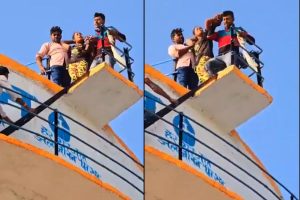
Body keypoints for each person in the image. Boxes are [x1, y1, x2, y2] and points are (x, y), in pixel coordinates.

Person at [205, 10, 255, 77]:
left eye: (227, 19)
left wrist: (245, 35)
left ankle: (233, 78)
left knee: (231, 68)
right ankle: (216, 80)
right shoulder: (220, 33)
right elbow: (209, 36)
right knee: (208, 64)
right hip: (220, 57)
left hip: (232, 53)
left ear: (233, 19)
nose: (225, 21)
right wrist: (215, 22)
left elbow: (252, 42)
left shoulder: (238, 30)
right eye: (224, 19)